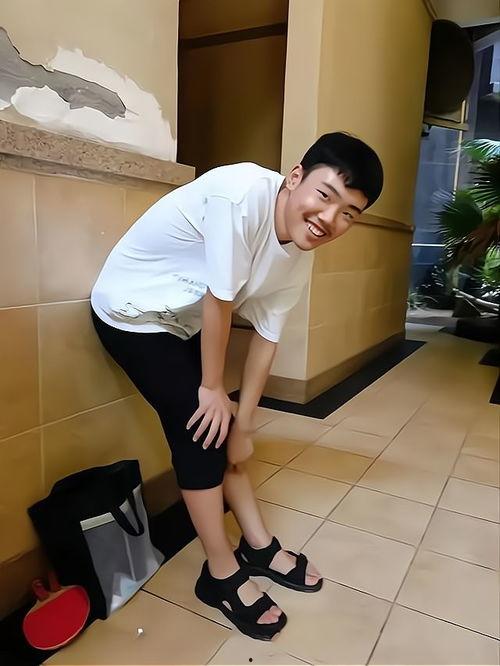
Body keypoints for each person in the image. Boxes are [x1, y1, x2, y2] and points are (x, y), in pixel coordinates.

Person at [90, 131, 384, 641]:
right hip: (131, 311)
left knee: (226, 429)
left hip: (179, 322)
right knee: (202, 433)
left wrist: (244, 422)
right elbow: (219, 301)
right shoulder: (241, 194)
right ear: (295, 178)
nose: (329, 218)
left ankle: (258, 546)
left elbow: (266, 339)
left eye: (348, 214)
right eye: (324, 195)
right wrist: (211, 388)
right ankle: (221, 573)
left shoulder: (300, 252)